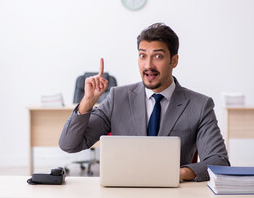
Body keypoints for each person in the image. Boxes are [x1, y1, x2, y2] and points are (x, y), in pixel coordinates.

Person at [59, 23, 230, 182]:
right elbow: (69, 145)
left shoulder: (199, 105)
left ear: (174, 61)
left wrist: (180, 173)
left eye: (158, 56)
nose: (148, 65)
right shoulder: (117, 98)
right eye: (142, 56)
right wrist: (87, 102)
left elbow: (219, 161)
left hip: (173, 191)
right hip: (124, 189)